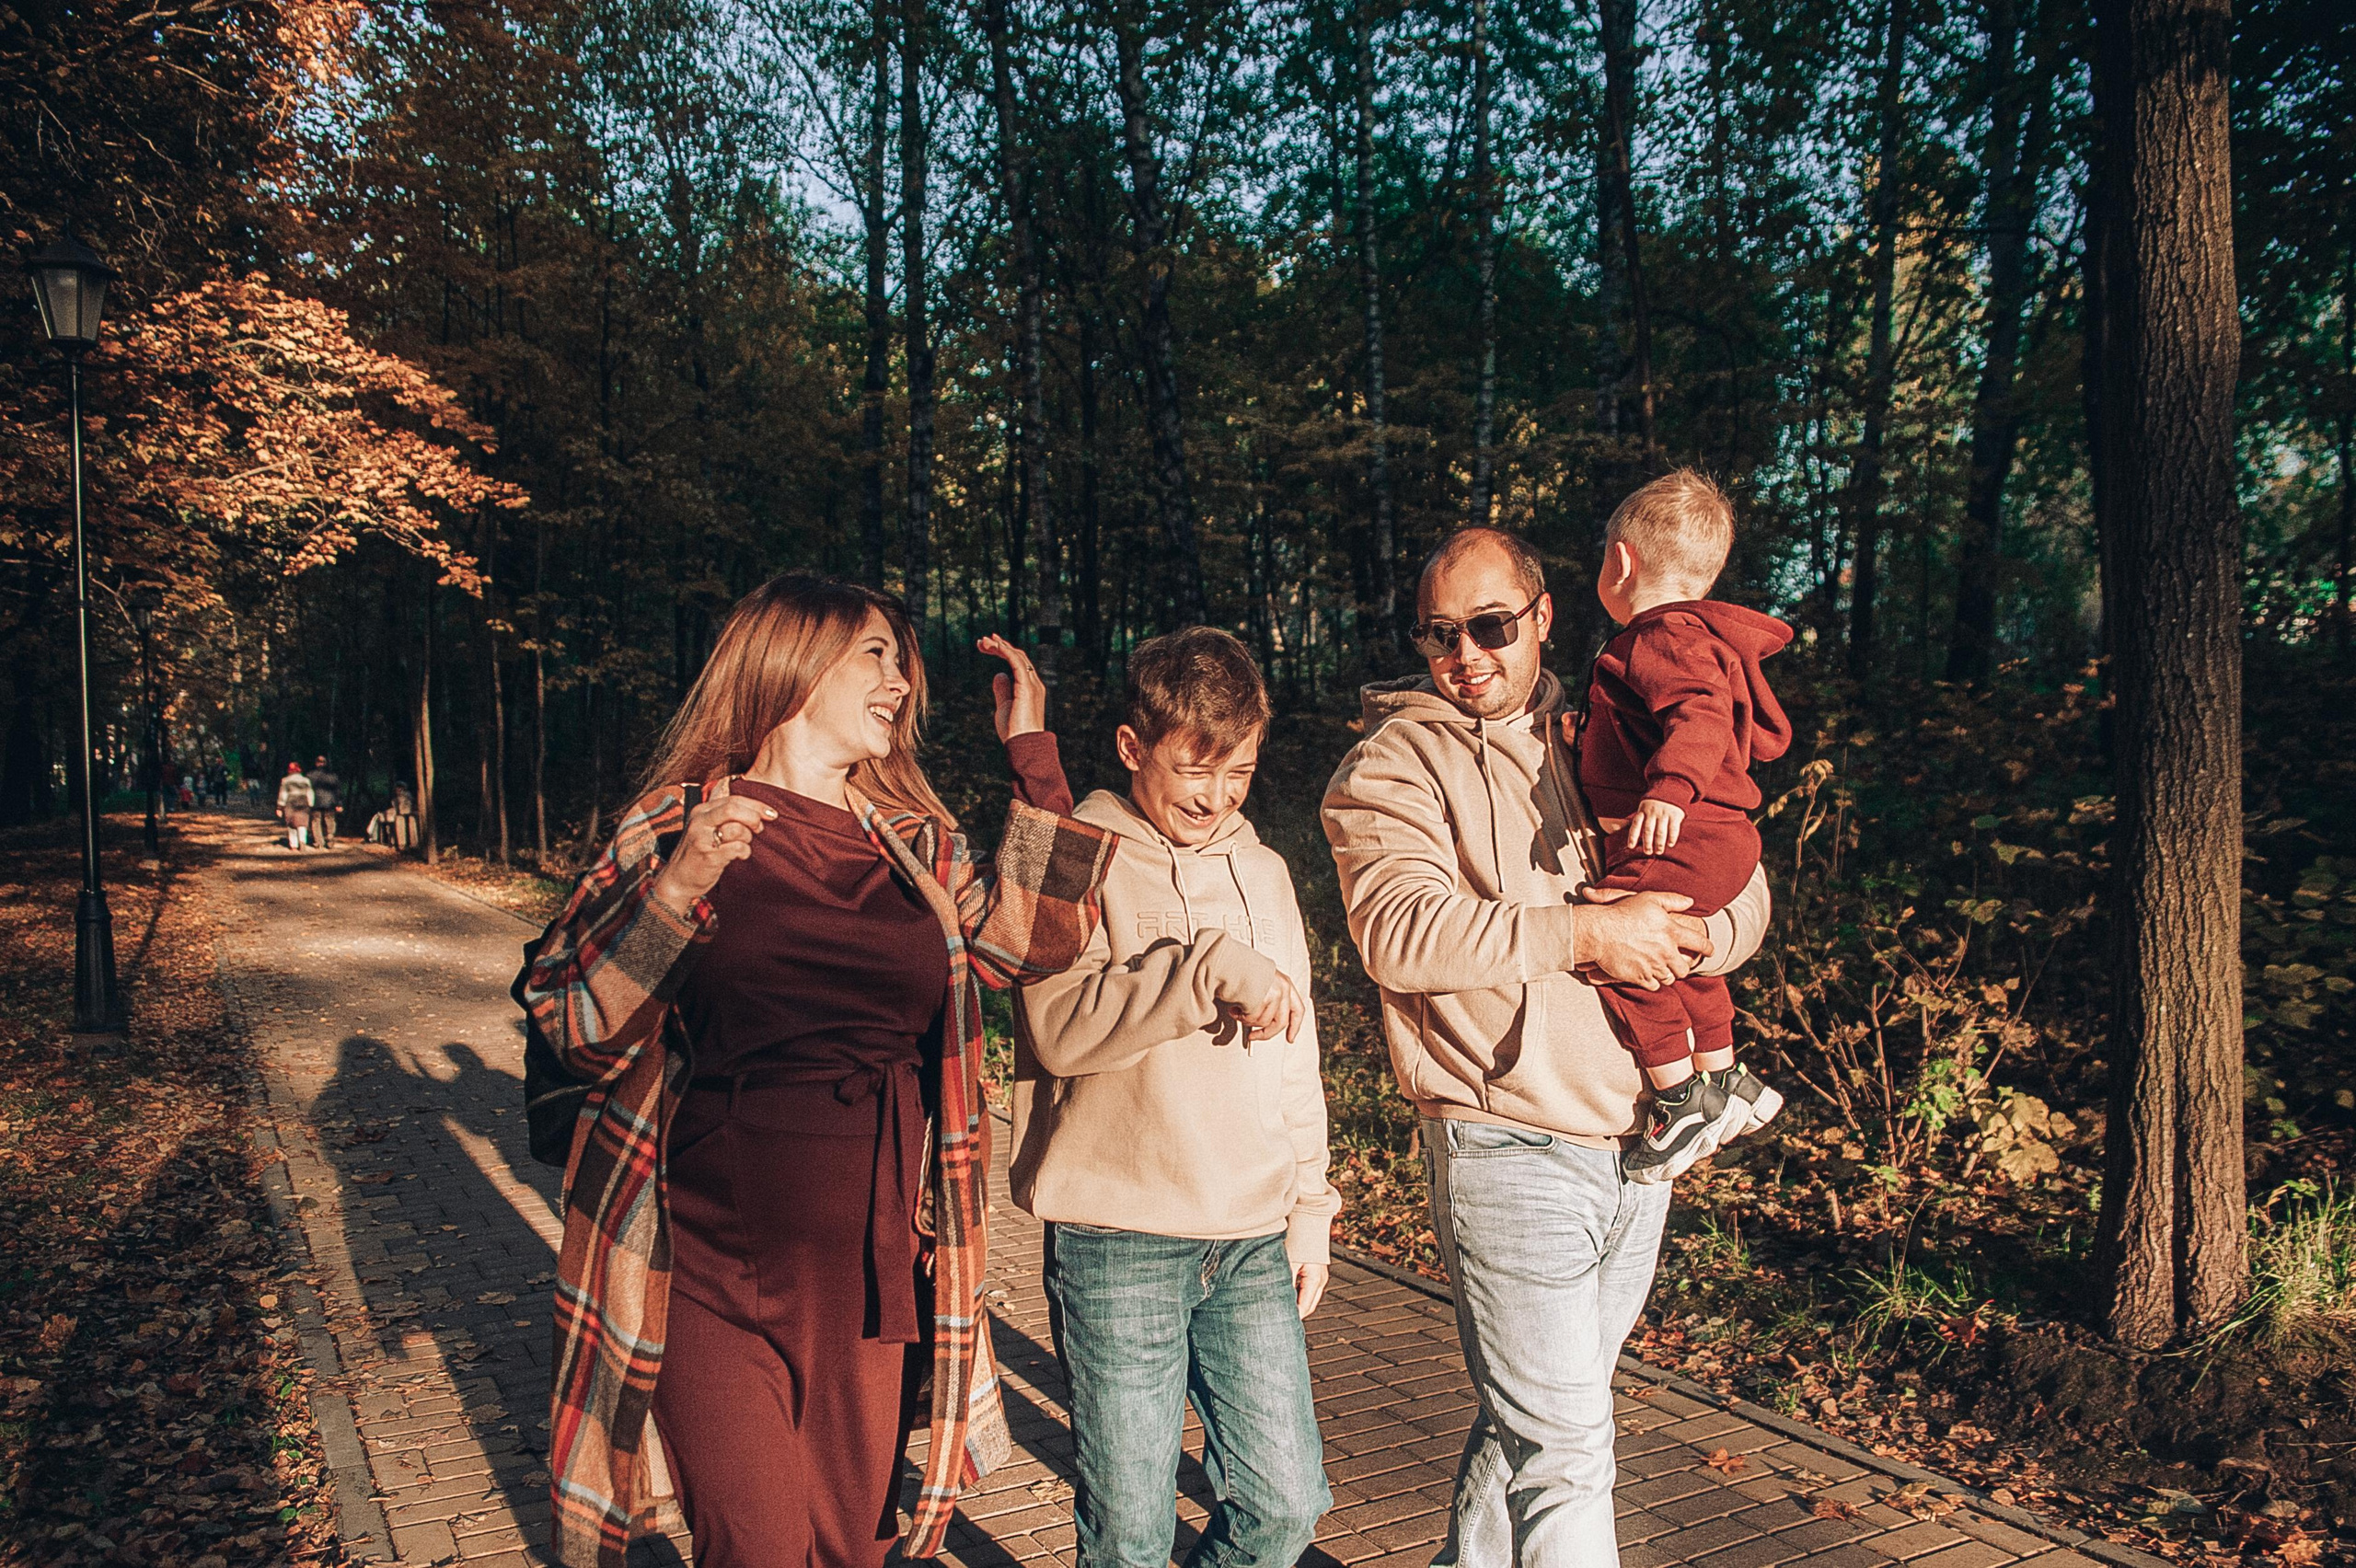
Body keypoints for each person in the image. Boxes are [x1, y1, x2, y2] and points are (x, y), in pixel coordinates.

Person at [519, 574, 1116, 1568]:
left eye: (902, 661)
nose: (901, 682)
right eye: (875, 655)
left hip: (873, 1261)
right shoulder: (672, 827)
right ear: (792, 662)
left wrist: (1033, 753)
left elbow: (1037, 943)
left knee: (850, 1544)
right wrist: (676, 893)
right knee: (752, 1545)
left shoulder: (914, 844)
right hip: (698, 1252)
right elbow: (577, 1027)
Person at [1321, 526, 1772, 1568]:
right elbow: (1400, 931)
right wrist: (1584, 932)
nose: (1464, 656)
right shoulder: (1390, 763)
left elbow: (1741, 880)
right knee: (1565, 1447)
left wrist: (1701, 931)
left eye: (1489, 627)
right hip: (1504, 1140)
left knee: (1534, 1424)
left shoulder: (1613, 715)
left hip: (1637, 1144)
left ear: (1541, 615)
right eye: (1440, 636)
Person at [1010, 627, 1336, 1568]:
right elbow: (1055, 1029)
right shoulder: (1065, 850)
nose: (1216, 795)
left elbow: (1295, 1054)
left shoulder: (1266, 871)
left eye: (1237, 771)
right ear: (1131, 747)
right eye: (1196, 768)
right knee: (1130, 1535)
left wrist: (1309, 1205)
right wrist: (1201, 974)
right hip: (1116, 1243)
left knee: (1283, 1507)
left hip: (1247, 1242)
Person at [1581, 470, 1793, 1183]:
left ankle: (1678, 1098)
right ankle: (1727, 1076)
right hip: (1721, 834)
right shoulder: (1698, 637)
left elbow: (1698, 714)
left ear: (1621, 561)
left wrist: (1670, 790)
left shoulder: (1660, 636)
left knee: (1613, 938)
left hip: (1689, 830)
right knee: (1678, 947)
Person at [276, 761, 313, 852]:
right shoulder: (306, 780)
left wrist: (280, 807)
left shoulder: (286, 780)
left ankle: (294, 845)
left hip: (290, 802)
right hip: (303, 801)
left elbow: (283, 794)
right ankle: (302, 842)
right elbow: (310, 792)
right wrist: (311, 803)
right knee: (302, 823)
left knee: (291, 824)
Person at [307, 755, 341, 848]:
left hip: (315, 802)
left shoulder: (310, 775)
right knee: (330, 820)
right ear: (325, 764)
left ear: (316, 763)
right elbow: (337, 791)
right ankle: (330, 838)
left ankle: (318, 842)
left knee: (316, 821)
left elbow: (307, 790)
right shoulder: (332, 776)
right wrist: (339, 804)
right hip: (330, 802)